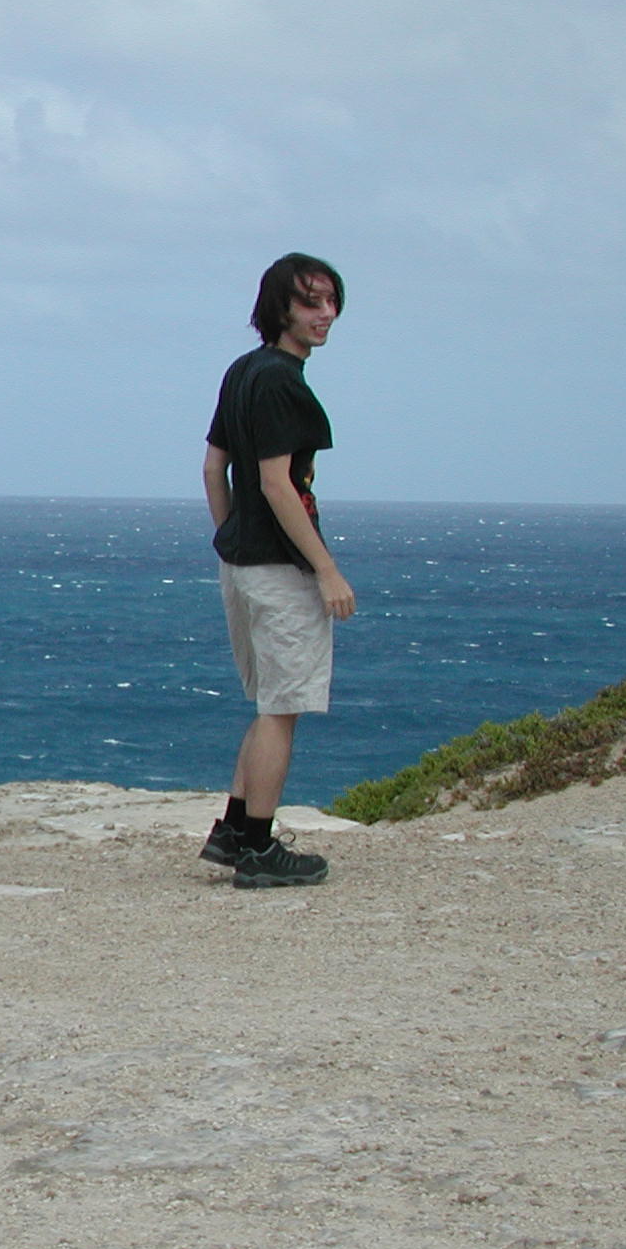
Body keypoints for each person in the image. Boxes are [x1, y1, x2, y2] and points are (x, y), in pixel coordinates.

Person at [200, 253, 354, 888]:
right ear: (280, 307)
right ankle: (259, 850)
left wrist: (230, 538)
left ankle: (233, 831)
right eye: (310, 302)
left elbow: (214, 468)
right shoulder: (283, 382)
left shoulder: (243, 371)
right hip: (278, 569)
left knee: (270, 704)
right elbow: (277, 482)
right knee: (282, 709)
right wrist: (326, 569)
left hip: (241, 562)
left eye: (331, 301)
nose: (326, 314)